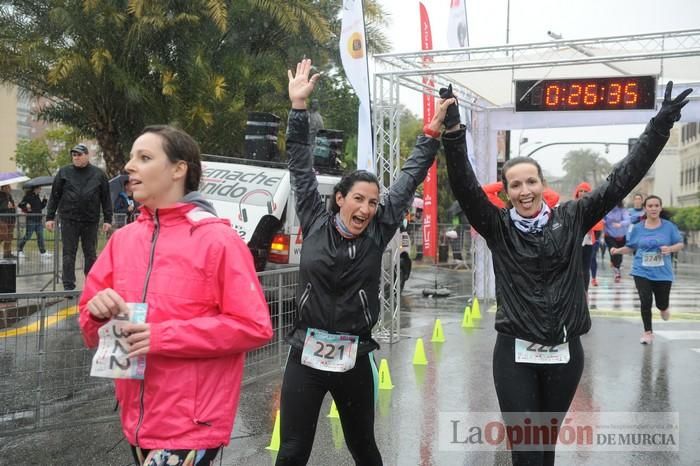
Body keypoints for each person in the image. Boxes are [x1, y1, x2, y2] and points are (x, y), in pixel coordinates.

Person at [442, 81, 691, 465]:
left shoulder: (572, 217)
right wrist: (455, 132)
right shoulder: (497, 227)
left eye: (531, 182)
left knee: (545, 449)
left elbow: (619, 180)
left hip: (564, 352)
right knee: (526, 452)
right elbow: (464, 186)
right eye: (516, 185)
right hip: (515, 354)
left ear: (543, 185)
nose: (525, 191)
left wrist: (659, 126)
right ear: (506, 192)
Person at [275, 58, 452, 466]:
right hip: (307, 351)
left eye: (373, 202)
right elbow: (299, 164)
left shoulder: (378, 231)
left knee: (364, 449)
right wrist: (298, 110)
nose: (367, 208)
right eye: (359, 199)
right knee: (292, 451)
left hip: (354, 356)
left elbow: (407, 178)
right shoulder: (315, 220)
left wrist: (431, 135)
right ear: (340, 199)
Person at [78, 125, 273, 466]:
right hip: (137, 423)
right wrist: (95, 312)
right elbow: (91, 332)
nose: (129, 166)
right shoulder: (122, 241)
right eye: (131, 157)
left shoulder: (218, 242)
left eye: (145, 157)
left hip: (192, 426)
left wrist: (162, 336)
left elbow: (254, 326)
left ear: (178, 169)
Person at [610, 195, 684, 345]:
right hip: (641, 270)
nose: (653, 208)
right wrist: (617, 251)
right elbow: (631, 247)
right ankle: (648, 332)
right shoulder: (638, 228)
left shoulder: (669, 226)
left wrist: (669, 248)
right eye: (650, 206)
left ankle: (664, 308)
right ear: (645, 209)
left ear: (660, 208)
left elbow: (680, 244)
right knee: (645, 300)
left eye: (656, 205)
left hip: (663, 272)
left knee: (661, 304)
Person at [46, 143, 113, 290]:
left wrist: (108, 219)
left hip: (90, 220)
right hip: (69, 219)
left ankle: (91, 284)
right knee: (68, 253)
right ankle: (68, 285)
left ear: (87, 155)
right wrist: (49, 217)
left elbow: (106, 198)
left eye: (79, 154)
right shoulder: (64, 172)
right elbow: (54, 196)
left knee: (90, 253)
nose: (76, 157)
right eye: (74, 155)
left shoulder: (99, 174)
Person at [573, 182, 604, 290]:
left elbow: (599, 225)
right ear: (577, 193)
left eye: (586, 191)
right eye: (580, 191)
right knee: (575, 268)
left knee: (586, 268)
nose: (583, 193)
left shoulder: (594, 206)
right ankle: (574, 291)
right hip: (574, 242)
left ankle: (585, 292)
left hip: (589, 241)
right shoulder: (571, 206)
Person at [17, 186, 51, 258]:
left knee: (40, 236)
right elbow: (20, 204)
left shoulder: (37, 197)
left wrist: (44, 201)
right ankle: (19, 250)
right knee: (28, 236)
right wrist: (26, 205)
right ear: (35, 189)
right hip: (31, 220)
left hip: (38, 220)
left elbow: (40, 207)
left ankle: (43, 252)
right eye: (39, 188)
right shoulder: (28, 196)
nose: (41, 190)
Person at [604, 200, 630, 283]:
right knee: (614, 251)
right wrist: (603, 222)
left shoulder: (622, 210)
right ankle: (617, 272)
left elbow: (627, 221)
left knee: (619, 254)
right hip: (609, 236)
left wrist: (620, 224)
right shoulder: (605, 210)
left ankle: (616, 266)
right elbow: (601, 219)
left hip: (621, 236)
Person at [0, 185, 17, 259]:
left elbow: (12, 207)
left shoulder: (9, 196)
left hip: (11, 219)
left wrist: (13, 207)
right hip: (2, 219)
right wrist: (6, 206)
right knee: (3, 236)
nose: (10, 189)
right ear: (3, 188)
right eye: (8, 187)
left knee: (9, 237)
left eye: (10, 187)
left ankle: (7, 254)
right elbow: (3, 207)